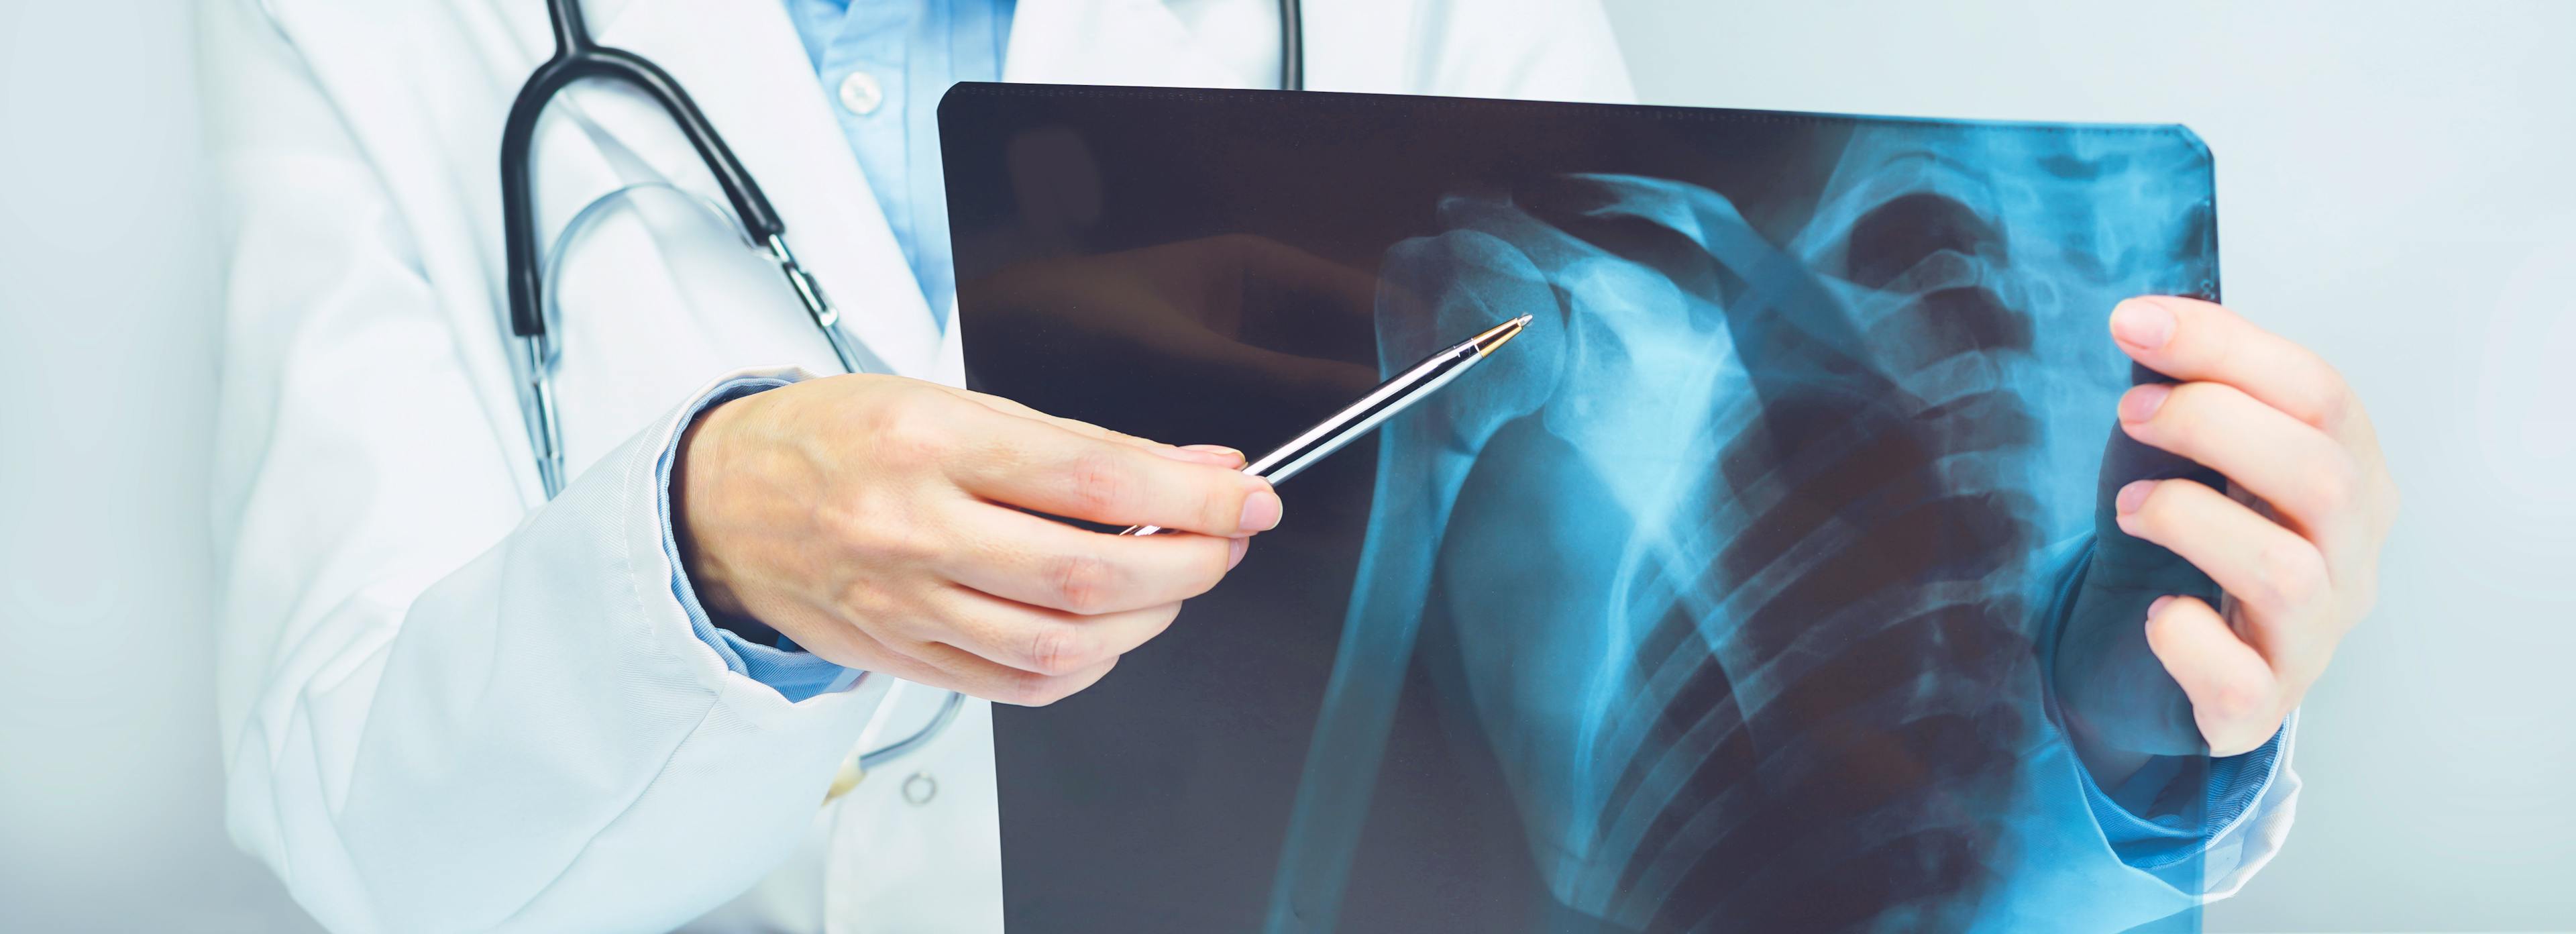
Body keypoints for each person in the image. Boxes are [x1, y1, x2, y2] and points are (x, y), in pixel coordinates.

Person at [197, 1, 2395, 931]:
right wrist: (701, 550)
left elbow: (1706, 728)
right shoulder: (379, 27)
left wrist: (2121, 729)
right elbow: (349, 812)